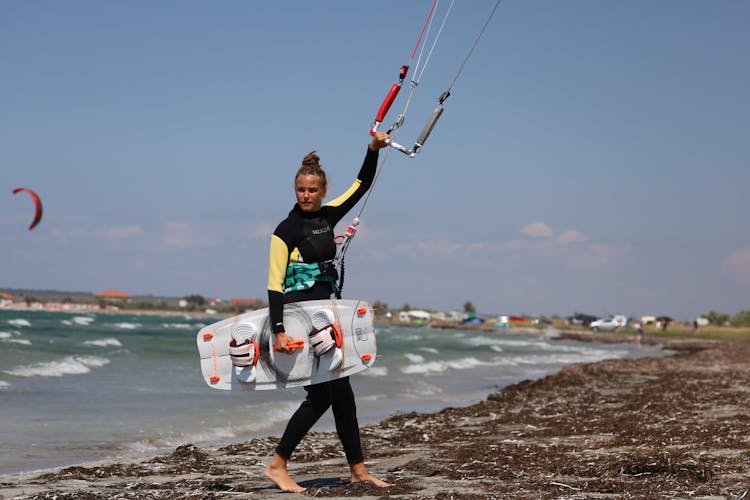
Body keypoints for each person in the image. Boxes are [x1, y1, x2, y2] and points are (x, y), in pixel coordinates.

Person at [263, 132, 392, 493]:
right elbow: (274, 284)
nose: (306, 195)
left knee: (342, 394)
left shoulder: (328, 217)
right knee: (321, 396)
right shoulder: (284, 231)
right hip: (298, 321)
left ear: (321, 191)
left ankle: (358, 469)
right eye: (301, 190)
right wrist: (279, 330)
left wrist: (372, 151)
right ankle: (277, 464)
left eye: (312, 190)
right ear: (295, 190)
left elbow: (361, 185)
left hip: (326, 318)